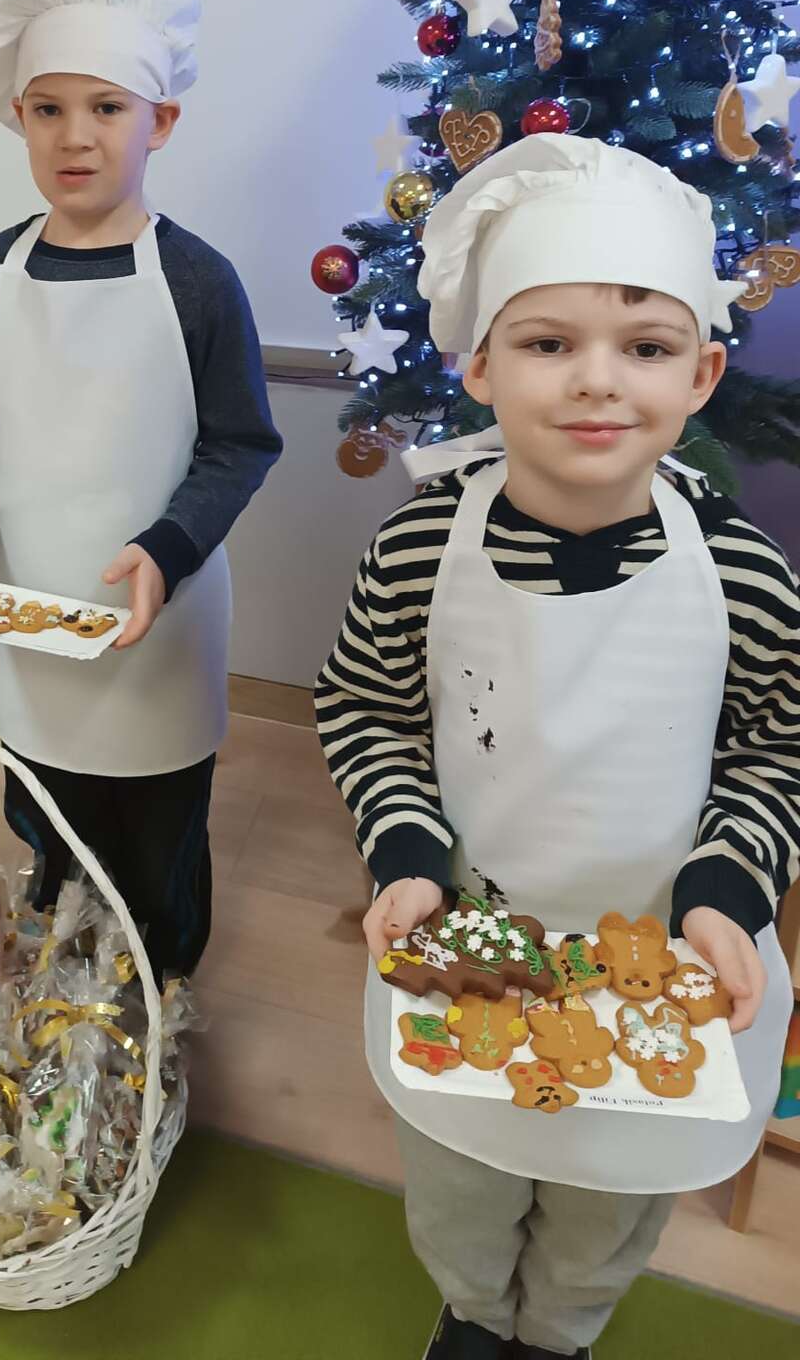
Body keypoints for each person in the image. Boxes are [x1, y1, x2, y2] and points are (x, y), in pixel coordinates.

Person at [314, 134, 798, 1359]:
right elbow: (367, 710)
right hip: (469, 946)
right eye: (547, 343)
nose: (598, 382)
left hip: (667, 967)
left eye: (647, 348)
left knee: (607, 1204)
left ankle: (563, 1331)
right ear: (477, 364)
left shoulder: (742, 572)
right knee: (465, 1182)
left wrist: (728, 889)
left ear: (703, 373)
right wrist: (405, 855)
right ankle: (476, 1312)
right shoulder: (417, 552)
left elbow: (777, 751)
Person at [0, 0, 282, 978]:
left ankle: (161, 993)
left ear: (160, 122)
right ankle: (69, 974)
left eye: (107, 108)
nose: (75, 135)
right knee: (49, 805)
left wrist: (167, 547)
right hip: (29, 608)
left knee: (156, 827)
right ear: (19, 120)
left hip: (159, 615)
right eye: (49, 110)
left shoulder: (199, 282)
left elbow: (239, 444)